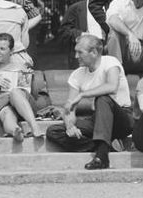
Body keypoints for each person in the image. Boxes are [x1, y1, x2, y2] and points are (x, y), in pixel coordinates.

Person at [46, 34, 134, 170]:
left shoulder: (110, 62)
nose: (76, 56)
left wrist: (82, 94)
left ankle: (102, 157)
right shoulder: (77, 75)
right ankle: (104, 147)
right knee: (54, 131)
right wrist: (70, 126)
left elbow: (111, 86)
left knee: (103, 99)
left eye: (79, 52)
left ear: (93, 52)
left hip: (122, 118)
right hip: (98, 121)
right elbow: (70, 107)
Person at [0, 33, 42, 141]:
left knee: (15, 92)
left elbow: (34, 95)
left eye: (2, 49)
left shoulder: (21, 67)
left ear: (11, 51)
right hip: (0, 104)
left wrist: (32, 79)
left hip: (23, 103)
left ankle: (34, 127)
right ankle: (15, 130)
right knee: (6, 112)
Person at [59, 0, 102, 69]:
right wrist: (82, 35)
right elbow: (64, 31)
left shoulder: (110, 8)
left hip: (104, 52)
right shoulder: (75, 9)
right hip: (83, 54)